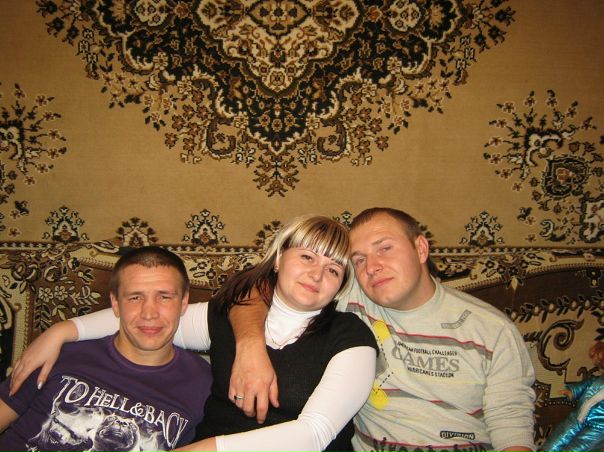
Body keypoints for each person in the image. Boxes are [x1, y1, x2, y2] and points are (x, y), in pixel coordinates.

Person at [8, 215, 378, 452]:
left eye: (333, 269)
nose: (317, 274)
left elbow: (314, 435)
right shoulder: (226, 315)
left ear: (340, 285)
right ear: (280, 258)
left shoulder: (351, 337)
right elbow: (153, 319)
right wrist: (64, 331)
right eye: (307, 257)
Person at [221, 207, 538, 452]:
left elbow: (512, 427)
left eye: (384, 248)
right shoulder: (346, 297)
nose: (371, 267)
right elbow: (260, 285)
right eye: (358, 260)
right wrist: (250, 347)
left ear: (421, 249)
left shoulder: (491, 329)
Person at [0, 245, 212, 451]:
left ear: (184, 302)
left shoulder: (204, 385)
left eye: (164, 297)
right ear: (116, 304)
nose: (149, 313)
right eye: (135, 297)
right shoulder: (61, 354)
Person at [539, 341, 604, 452]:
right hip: (577, 417)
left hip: (598, 427)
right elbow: (584, 385)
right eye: (600, 367)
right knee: (560, 435)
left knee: (580, 445)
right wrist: (572, 392)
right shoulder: (597, 381)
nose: (600, 370)